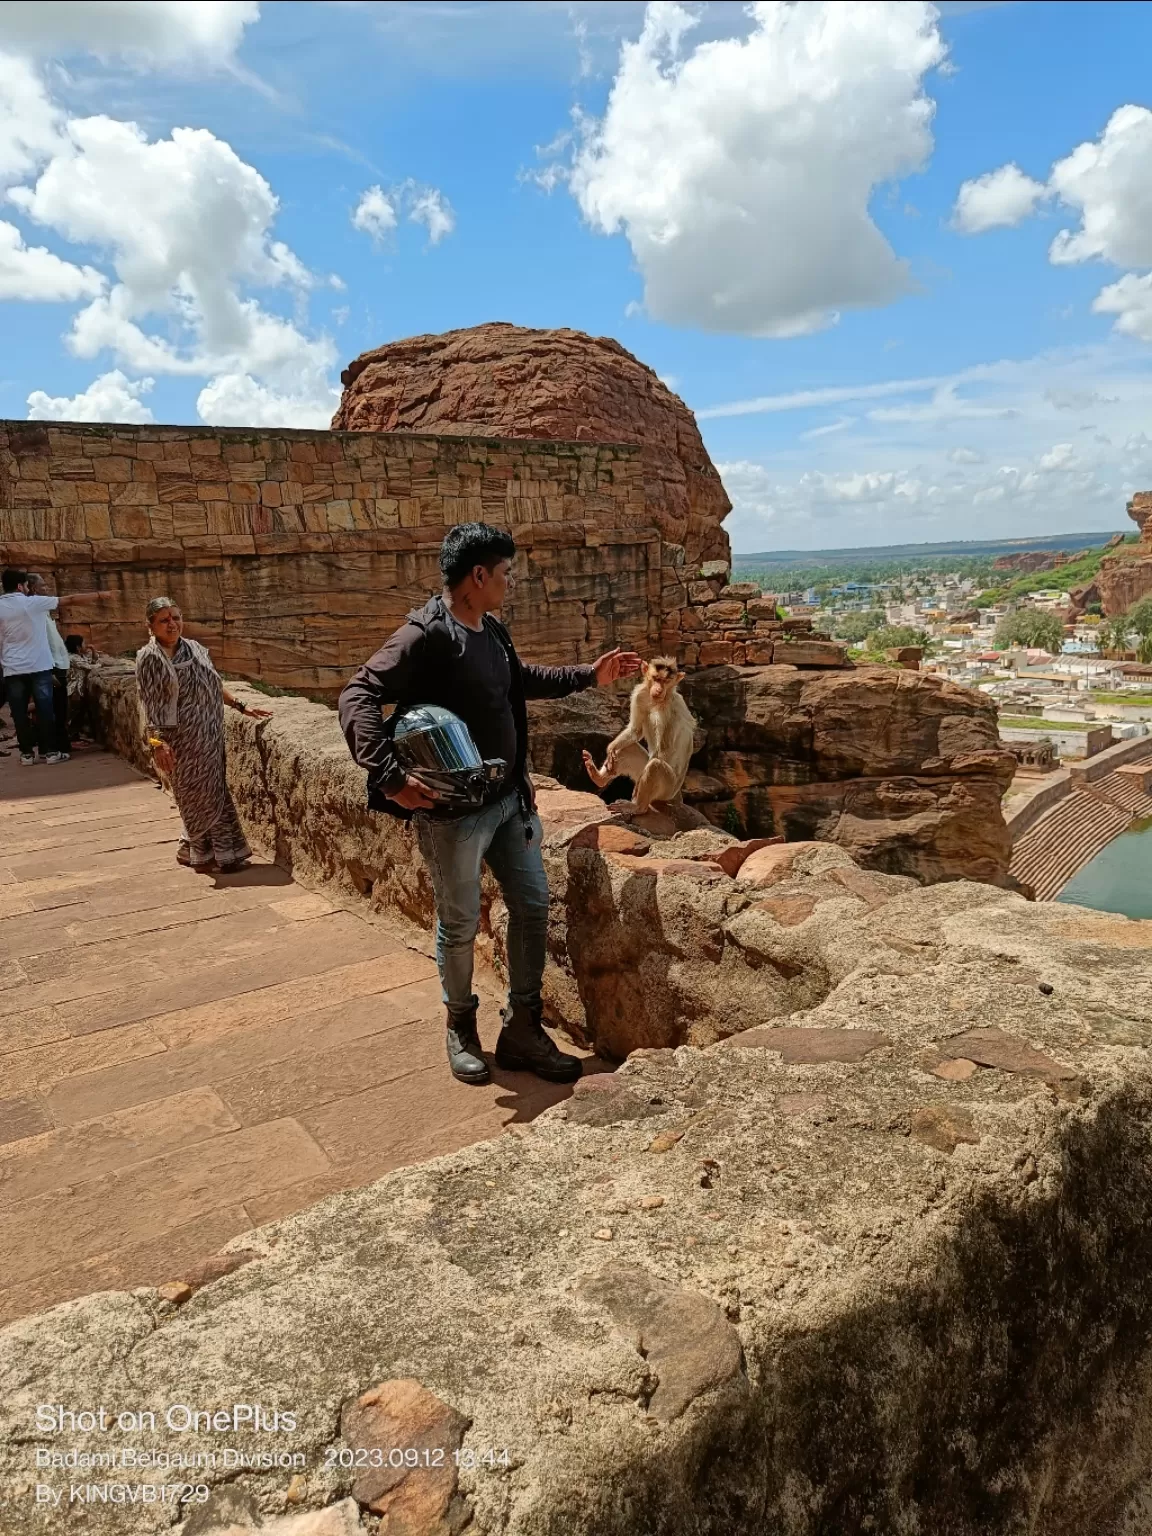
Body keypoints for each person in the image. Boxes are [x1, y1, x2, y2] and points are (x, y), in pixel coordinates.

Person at [339, 522, 642, 1087]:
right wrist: (388, 777)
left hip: (508, 802)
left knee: (530, 906)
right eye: (505, 573)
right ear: (478, 575)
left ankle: (522, 1029)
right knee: (458, 925)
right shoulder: (425, 635)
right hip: (454, 815)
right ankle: (460, 1027)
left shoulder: (491, 629)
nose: (511, 581)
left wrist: (585, 675)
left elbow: (516, 680)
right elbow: (357, 694)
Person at [135, 597, 271, 872]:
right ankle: (220, 854)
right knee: (193, 795)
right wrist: (157, 744)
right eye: (164, 620)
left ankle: (197, 849)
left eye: (176, 617)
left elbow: (213, 683)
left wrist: (240, 705)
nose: (172, 624)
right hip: (179, 739)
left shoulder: (195, 649)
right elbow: (148, 705)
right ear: (150, 626)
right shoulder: (150, 658)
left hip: (209, 733)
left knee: (214, 791)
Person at [0, 568, 110, 765]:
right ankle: (50, 753)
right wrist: (100, 594)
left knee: (19, 713)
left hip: (12, 668)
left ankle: (26, 755)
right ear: (20, 586)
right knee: (45, 710)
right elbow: (69, 599)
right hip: (39, 666)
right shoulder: (32, 603)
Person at [26, 573, 73, 760]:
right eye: (43, 585)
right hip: (50, 666)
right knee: (54, 711)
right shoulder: (34, 611)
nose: (46, 588)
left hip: (55, 664)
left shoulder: (41, 611)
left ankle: (55, 746)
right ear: (33, 588)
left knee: (55, 709)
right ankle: (53, 748)